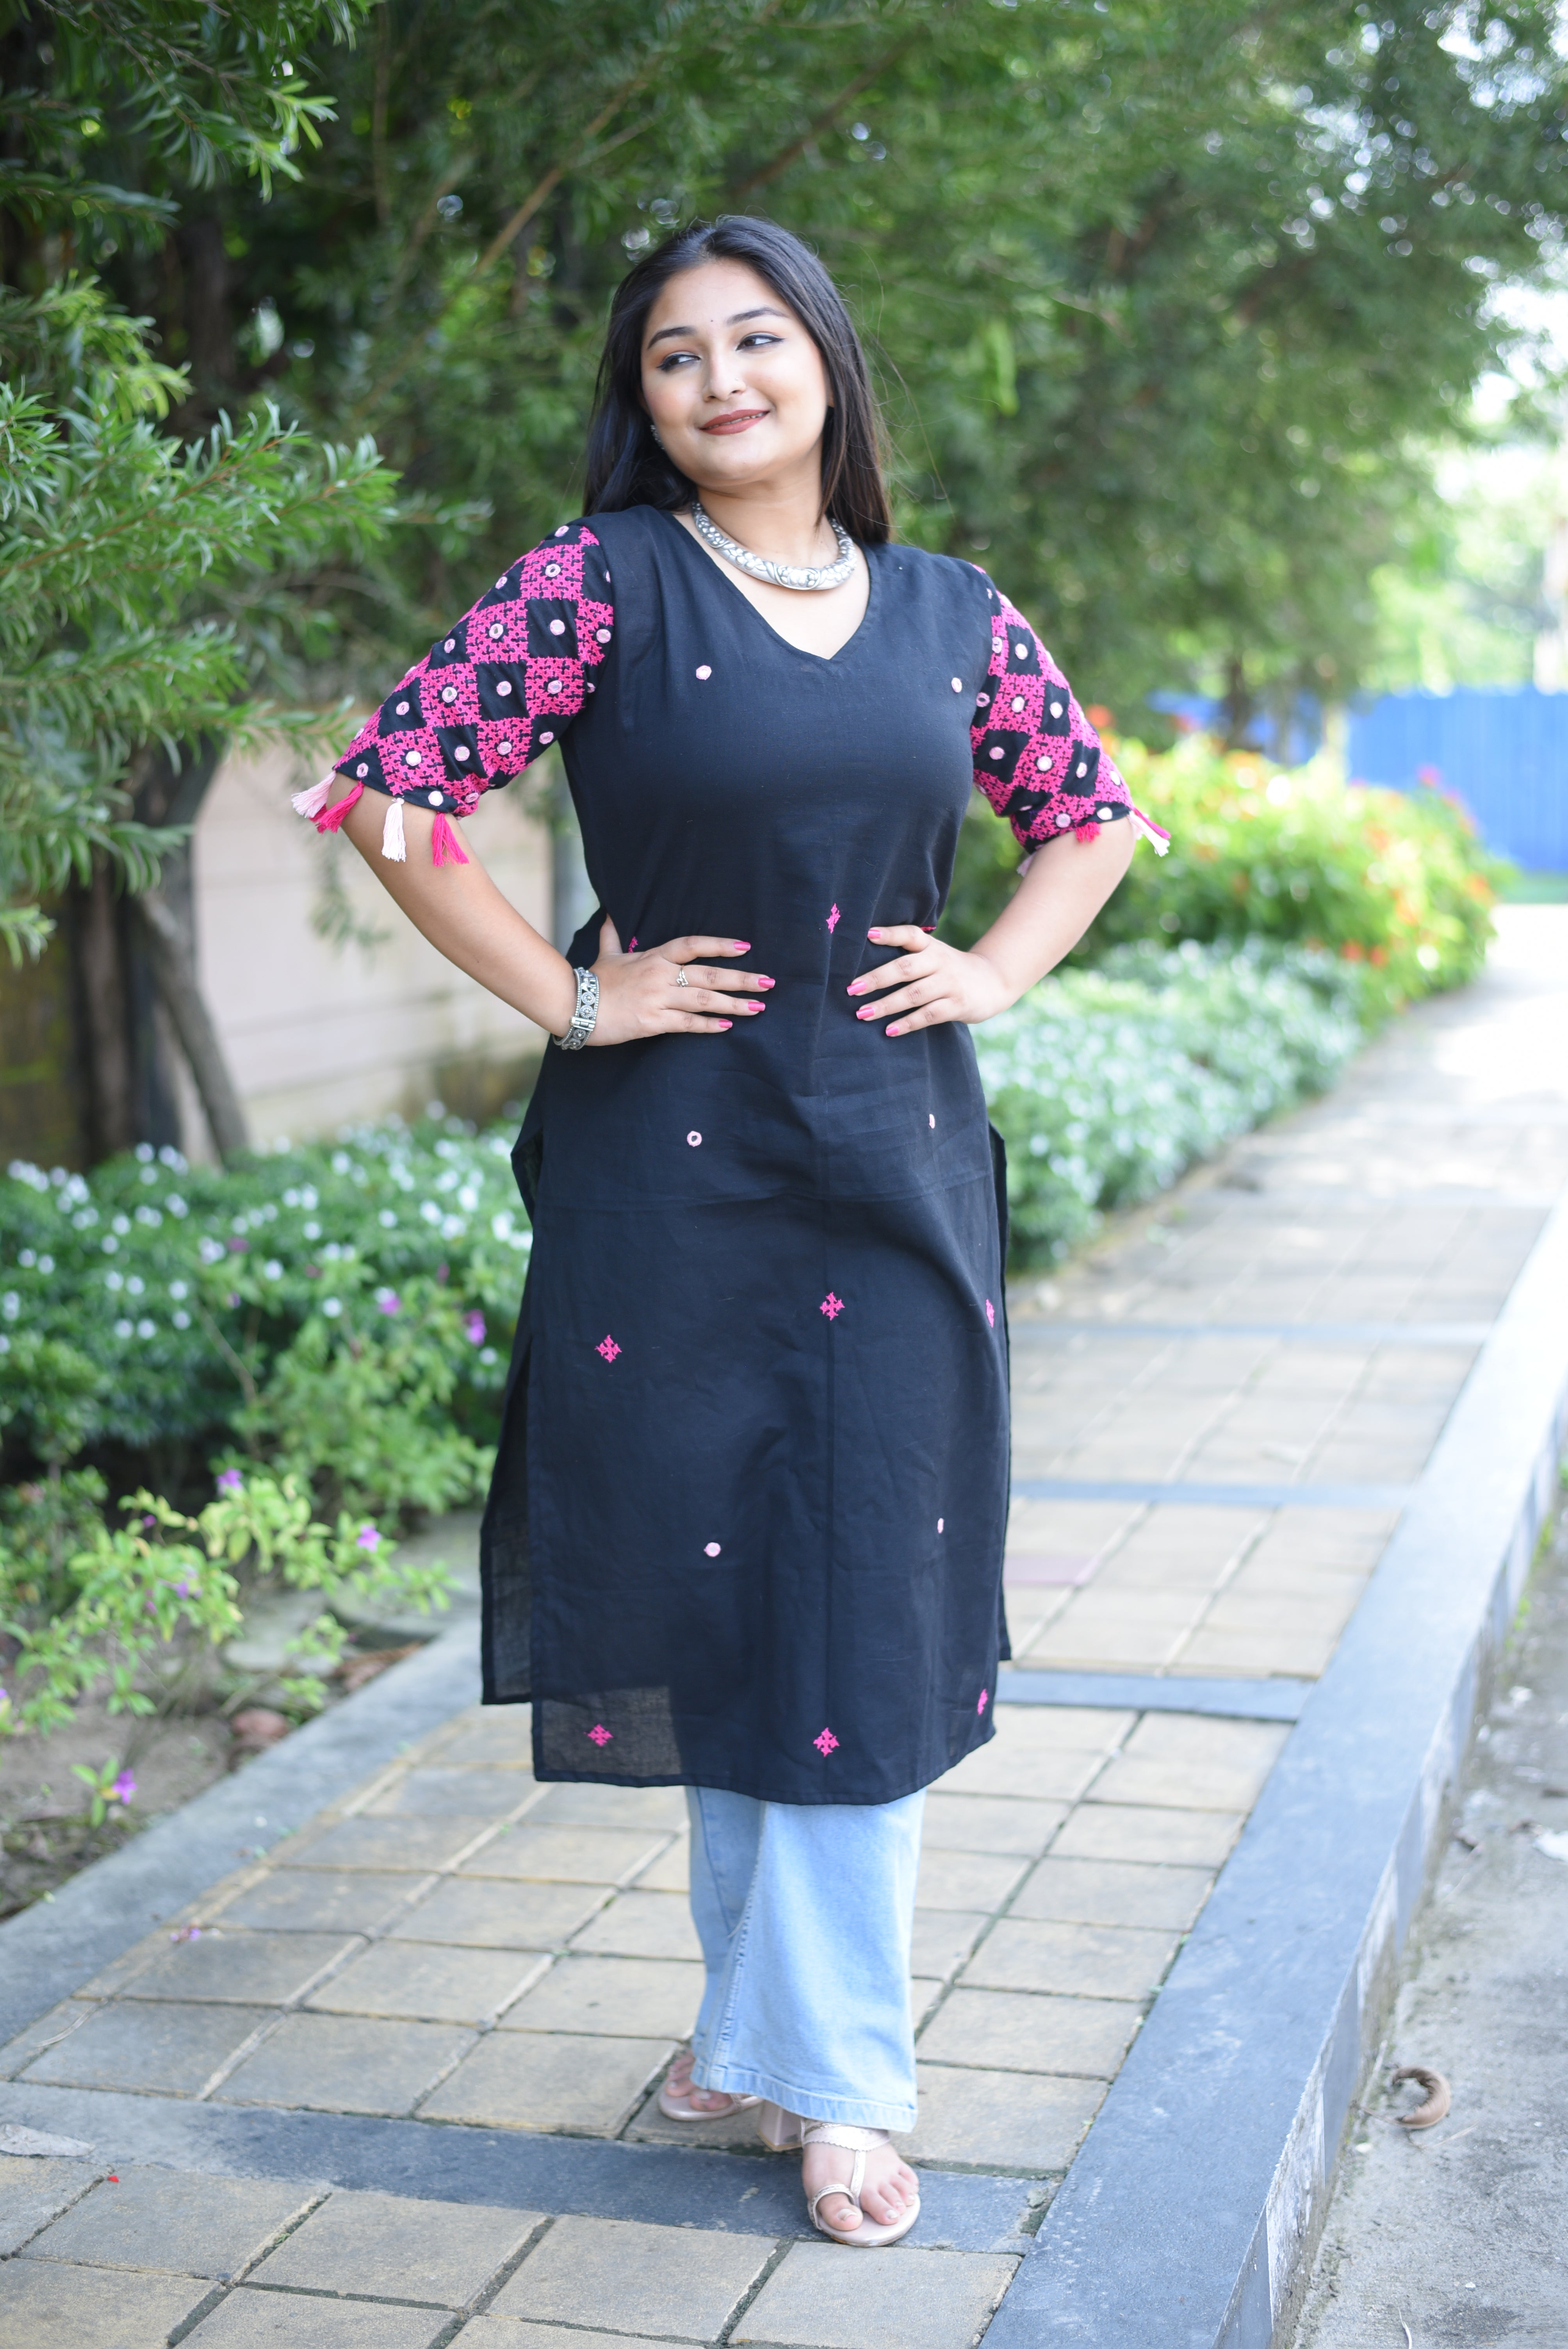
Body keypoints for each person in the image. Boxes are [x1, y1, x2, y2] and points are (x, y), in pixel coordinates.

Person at [294, 214, 1165, 2247]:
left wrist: (1002, 972)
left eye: (755, 340)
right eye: (675, 357)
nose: (719, 381)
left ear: (829, 367)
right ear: (646, 401)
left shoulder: (953, 611)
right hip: (665, 1172)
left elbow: (1095, 819)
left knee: (863, 1597)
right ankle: (757, 2043)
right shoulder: (596, 586)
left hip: (891, 1162)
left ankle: (837, 2074)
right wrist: (574, 994)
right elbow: (392, 804)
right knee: (724, 1595)